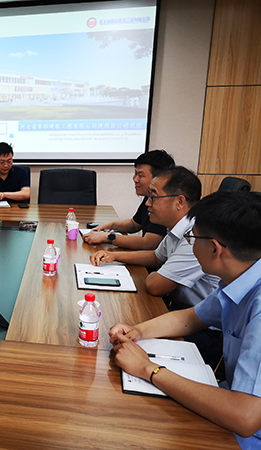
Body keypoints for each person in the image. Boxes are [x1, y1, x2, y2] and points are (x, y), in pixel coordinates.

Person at [109, 191, 261, 448]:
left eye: (192, 238)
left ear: (214, 248)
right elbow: (192, 317)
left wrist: (149, 369)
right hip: (229, 399)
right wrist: (137, 331)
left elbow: (245, 417)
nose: (189, 244)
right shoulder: (239, 278)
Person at [90, 166, 219, 310]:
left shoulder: (195, 236)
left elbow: (155, 286)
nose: (147, 203)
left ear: (180, 202)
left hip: (201, 318)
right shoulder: (177, 227)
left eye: (153, 197)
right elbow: (156, 257)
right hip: (182, 307)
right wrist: (113, 256)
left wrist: (159, 273)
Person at [84, 149, 175, 249]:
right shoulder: (149, 197)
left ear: (159, 179)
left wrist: (108, 237)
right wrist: (110, 225)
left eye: (141, 175)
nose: (135, 179)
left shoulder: (164, 204)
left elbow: (148, 243)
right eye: (135, 173)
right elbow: (134, 224)